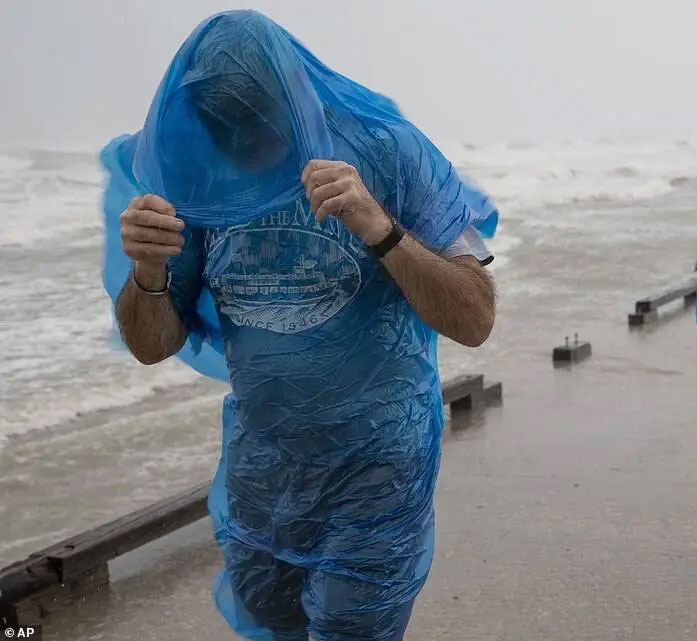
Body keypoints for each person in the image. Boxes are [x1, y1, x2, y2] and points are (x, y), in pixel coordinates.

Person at [103, 10, 497, 641]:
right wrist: (149, 270)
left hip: (378, 467)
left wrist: (380, 229)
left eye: (256, 125)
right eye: (223, 127)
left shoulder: (386, 150)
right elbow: (153, 345)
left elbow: (474, 317)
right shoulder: (193, 170)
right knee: (273, 625)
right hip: (264, 474)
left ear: (293, 93)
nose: (243, 150)